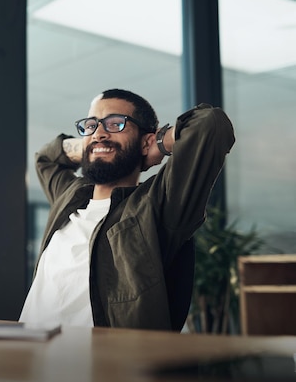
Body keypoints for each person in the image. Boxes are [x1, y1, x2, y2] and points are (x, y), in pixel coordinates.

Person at [19, 88, 235, 331]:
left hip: (104, 364)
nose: (99, 132)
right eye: (91, 125)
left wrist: (158, 144)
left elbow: (211, 125)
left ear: (146, 141)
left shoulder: (157, 205)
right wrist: (94, 144)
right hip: (28, 358)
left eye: (115, 124)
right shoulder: (70, 196)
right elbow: (45, 159)